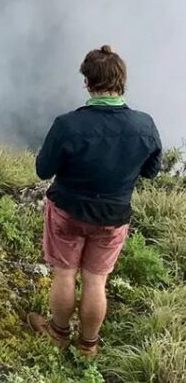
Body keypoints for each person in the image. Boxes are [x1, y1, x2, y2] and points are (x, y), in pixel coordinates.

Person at [28, 45, 162, 358]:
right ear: (122, 82)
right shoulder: (145, 125)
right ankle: (88, 346)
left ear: (87, 82)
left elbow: (43, 170)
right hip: (113, 216)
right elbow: (151, 171)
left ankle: (58, 333)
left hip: (68, 211)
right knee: (96, 281)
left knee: (65, 273)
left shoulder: (67, 125)